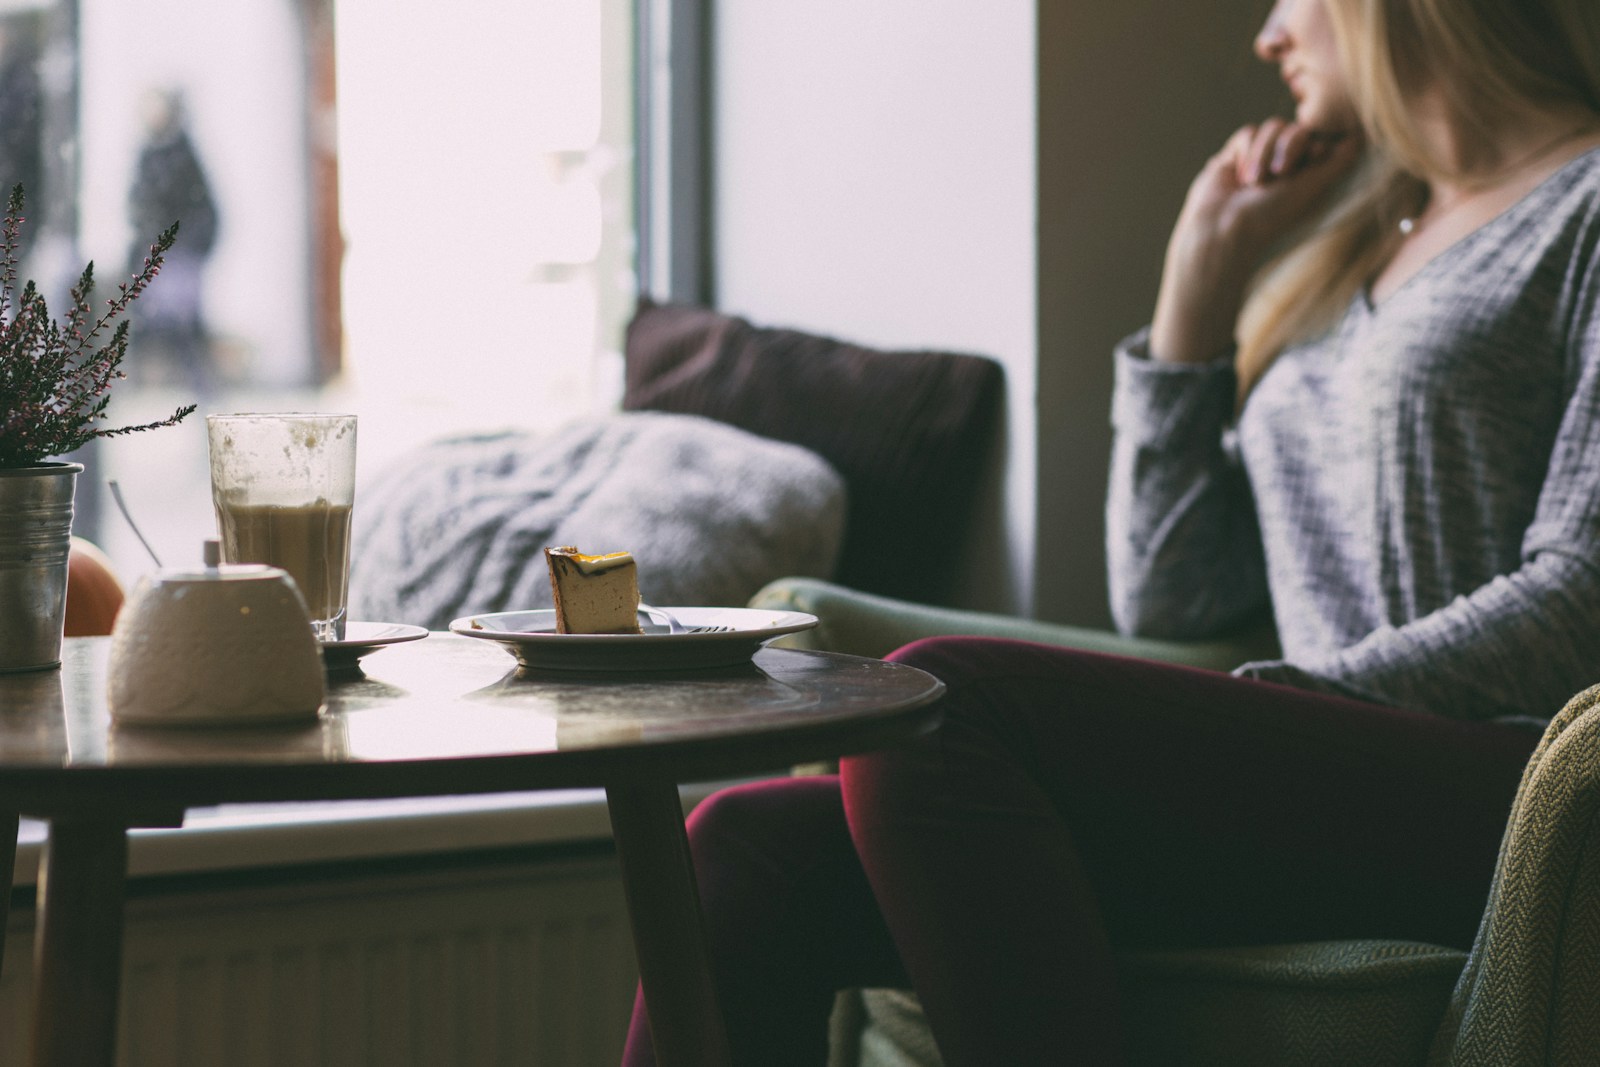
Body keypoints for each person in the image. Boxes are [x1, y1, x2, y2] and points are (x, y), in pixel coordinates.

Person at [622, 0, 1600, 1062]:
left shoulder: (1583, 205)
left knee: (944, 701)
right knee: (742, 843)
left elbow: (1581, 592)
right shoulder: (1363, 231)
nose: (1268, 37)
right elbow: (1178, 596)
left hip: (1518, 786)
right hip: (1309, 769)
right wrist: (1197, 289)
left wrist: (1285, 705)